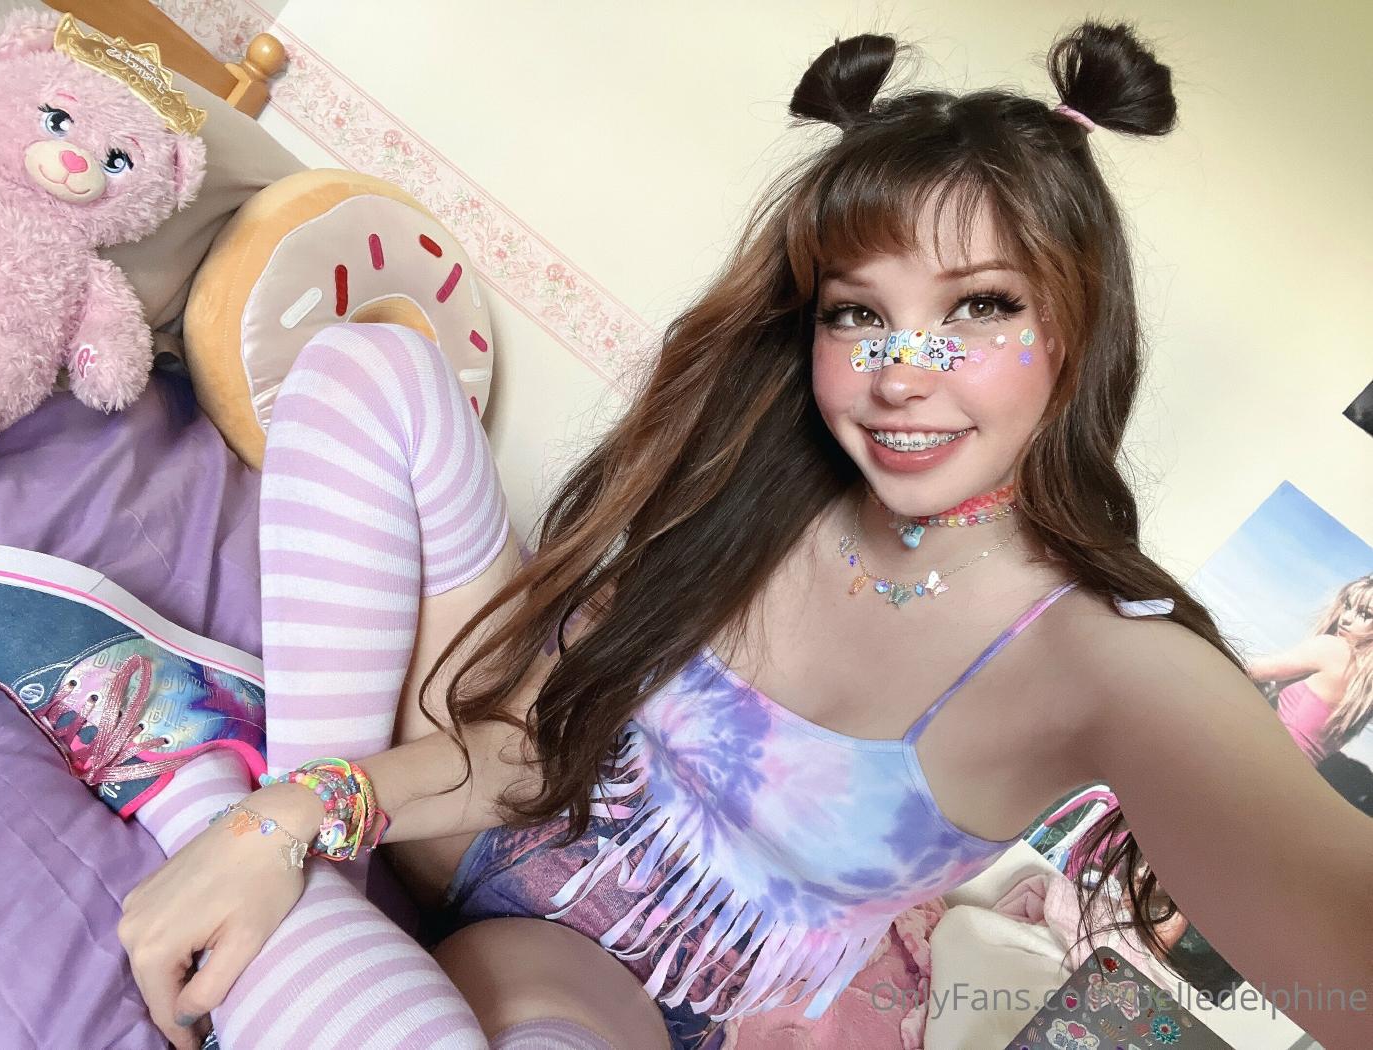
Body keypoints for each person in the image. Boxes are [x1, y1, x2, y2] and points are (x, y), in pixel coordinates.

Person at [113, 21, 1373, 1050]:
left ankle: (255, 864)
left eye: (980, 307)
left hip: (599, 980)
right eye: (856, 312)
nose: (901, 372)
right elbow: (528, 744)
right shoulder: (759, 486)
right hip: (487, 803)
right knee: (372, 368)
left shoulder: (1104, 663)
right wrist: (290, 818)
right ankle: (268, 851)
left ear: (1075, 336)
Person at [1251, 574, 1373, 765]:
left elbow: (1251, 671)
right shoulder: (1366, 692)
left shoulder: (1332, 649)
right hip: (1288, 775)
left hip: (1258, 754)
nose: (1346, 618)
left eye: (1365, 614)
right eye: (1348, 605)